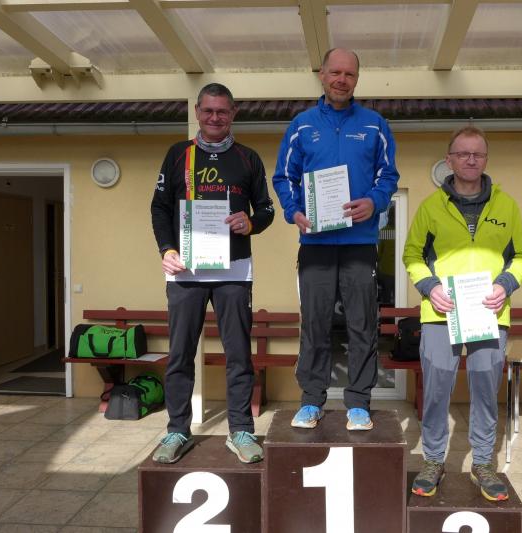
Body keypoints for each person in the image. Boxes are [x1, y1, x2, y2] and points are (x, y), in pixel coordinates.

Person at [271, 48, 399, 431]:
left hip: (360, 244)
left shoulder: (375, 125)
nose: (342, 80)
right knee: (315, 323)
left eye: (349, 74)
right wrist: (293, 211)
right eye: (335, 72)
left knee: (362, 324)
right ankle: (311, 400)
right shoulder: (301, 126)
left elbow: (388, 176)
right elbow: (284, 177)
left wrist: (374, 202)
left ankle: (358, 403)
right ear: (322, 75)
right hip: (316, 246)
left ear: (357, 79)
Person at [403, 126, 522, 501]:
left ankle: (483, 464)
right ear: (449, 160)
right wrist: (431, 287)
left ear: (486, 159)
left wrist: (505, 284)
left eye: (477, 154)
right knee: (436, 391)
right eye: (463, 153)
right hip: (440, 314)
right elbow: (412, 255)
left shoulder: (507, 206)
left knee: (485, 391)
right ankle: (433, 460)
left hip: (489, 314)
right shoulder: (430, 207)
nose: (470, 159)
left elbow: (521, 256)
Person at [150, 83, 275, 464]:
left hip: (234, 272)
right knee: (180, 354)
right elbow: (159, 208)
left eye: (222, 111)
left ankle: (241, 430)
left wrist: (250, 223)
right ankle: (177, 430)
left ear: (233, 113)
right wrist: (167, 250)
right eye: (208, 111)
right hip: (185, 273)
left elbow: (267, 210)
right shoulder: (178, 154)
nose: (215, 117)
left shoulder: (248, 158)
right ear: (197, 112)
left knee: (238, 354)